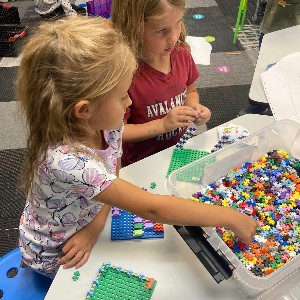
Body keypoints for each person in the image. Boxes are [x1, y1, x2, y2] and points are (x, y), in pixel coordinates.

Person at [17, 16, 257, 279]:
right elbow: (153, 208)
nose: (129, 101)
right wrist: (230, 217)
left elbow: (114, 165)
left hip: (91, 215)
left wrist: (96, 226)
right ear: (84, 109)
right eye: (122, 96)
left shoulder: (105, 122)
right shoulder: (68, 162)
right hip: (59, 250)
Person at [111, 0, 212, 167]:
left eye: (178, 23)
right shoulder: (123, 74)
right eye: (161, 30)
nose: (174, 37)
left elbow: (191, 91)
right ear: (133, 28)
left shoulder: (181, 53)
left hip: (178, 149)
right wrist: (162, 125)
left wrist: (195, 108)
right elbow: (117, 132)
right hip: (141, 161)